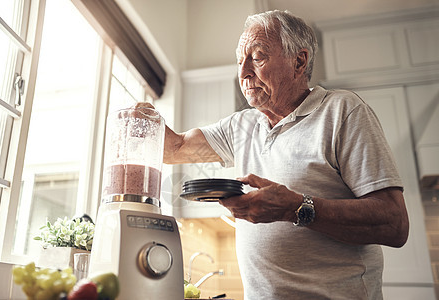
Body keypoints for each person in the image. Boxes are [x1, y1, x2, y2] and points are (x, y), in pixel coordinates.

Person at [140, 10, 409, 300]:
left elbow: (394, 224)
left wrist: (295, 208)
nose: (243, 72)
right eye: (239, 60)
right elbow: (175, 148)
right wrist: (143, 119)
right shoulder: (241, 124)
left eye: (257, 57)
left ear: (299, 61)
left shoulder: (343, 112)